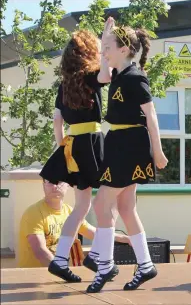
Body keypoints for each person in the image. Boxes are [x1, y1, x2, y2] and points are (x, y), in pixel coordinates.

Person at [86, 19, 168, 293]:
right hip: (119, 142)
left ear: (124, 50)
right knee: (125, 208)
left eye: (108, 47)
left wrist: (157, 150)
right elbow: (101, 76)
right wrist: (105, 38)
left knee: (101, 205)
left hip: (129, 144)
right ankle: (145, 265)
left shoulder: (135, 77)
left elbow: (151, 114)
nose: (104, 51)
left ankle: (105, 263)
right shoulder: (117, 75)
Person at [39, 28, 112, 282]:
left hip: (74, 144)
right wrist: (106, 45)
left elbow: (57, 122)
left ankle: (60, 260)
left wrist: (65, 150)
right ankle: (101, 259)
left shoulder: (64, 85)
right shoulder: (91, 77)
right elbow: (107, 74)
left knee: (81, 207)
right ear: (89, 53)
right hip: (93, 142)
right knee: (107, 204)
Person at [18, 179, 129, 270]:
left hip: (56, 274)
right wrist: (61, 271)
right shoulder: (33, 213)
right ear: (44, 185)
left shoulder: (70, 212)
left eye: (60, 182)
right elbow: (40, 251)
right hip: (33, 277)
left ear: (68, 185)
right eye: (51, 182)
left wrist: (127, 239)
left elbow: (93, 233)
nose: (55, 186)